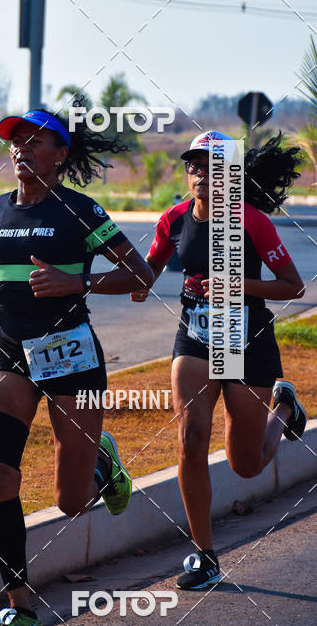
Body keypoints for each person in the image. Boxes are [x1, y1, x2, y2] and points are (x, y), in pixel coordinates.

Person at [0, 108, 152, 626]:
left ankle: (100, 462)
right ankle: (22, 611)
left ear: (61, 154)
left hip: (72, 356)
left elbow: (141, 272)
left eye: (35, 140)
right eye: (15, 141)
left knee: (70, 502)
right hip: (12, 351)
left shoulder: (80, 210)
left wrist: (78, 280)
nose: (20, 149)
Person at [131, 130, 307, 590]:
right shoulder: (174, 218)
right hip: (195, 336)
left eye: (211, 166)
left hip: (246, 338)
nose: (199, 173)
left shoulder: (251, 221)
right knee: (191, 439)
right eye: (193, 165)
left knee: (245, 464)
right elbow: (152, 262)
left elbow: (294, 286)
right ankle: (205, 555)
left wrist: (236, 287)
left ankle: (284, 409)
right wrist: (140, 281)